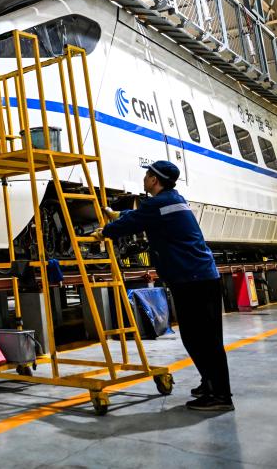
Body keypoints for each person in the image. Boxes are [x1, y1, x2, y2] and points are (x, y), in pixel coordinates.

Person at [96, 160, 233, 412]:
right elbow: (142, 217)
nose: (144, 179)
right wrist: (119, 215)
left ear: (154, 180)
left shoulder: (158, 204)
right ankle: (210, 384)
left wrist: (105, 231)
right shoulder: (173, 200)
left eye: (147, 175)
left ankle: (221, 396)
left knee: (203, 339)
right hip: (198, 277)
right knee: (200, 337)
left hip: (193, 280)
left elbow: (134, 222)